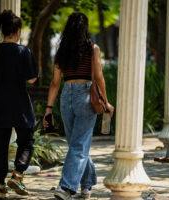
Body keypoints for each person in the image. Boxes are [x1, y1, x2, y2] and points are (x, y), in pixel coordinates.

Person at [43, 12, 114, 200]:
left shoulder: (61, 51)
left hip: (66, 97)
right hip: (85, 97)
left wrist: (49, 109)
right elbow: (99, 77)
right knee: (79, 145)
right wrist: (105, 102)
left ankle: (86, 186)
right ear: (85, 28)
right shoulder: (93, 49)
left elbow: (55, 82)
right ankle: (66, 188)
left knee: (77, 144)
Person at [0, 10, 39, 199]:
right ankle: (18, 174)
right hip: (19, 104)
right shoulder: (23, 51)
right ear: (18, 31)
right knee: (26, 141)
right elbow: (32, 80)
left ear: (3, 31)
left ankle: (0, 187)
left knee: (0, 147)